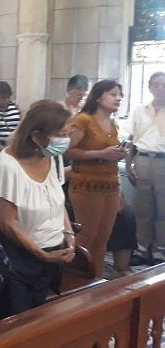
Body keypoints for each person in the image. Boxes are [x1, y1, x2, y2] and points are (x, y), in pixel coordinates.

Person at [0, 100, 76, 320]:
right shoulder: (8, 164)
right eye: (60, 135)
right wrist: (40, 254)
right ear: (37, 136)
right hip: (19, 259)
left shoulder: (53, 156)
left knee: (39, 319)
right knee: (15, 322)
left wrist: (68, 235)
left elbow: (57, 202)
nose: (65, 140)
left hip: (52, 255)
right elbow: (6, 222)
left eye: (68, 134)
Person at [64, 79, 127, 278]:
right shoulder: (84, 120)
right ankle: (74, 281)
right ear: (98, 97)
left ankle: (95, 280)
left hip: (110, 185)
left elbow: (109, 154)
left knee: (102, 238)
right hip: (86, 185)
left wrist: (118, 154)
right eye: (113, 94)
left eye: (120, 95)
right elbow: (68, 150)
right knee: (86, 237)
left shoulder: (113, 124)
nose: (118, 98)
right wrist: (100, 154)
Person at [126, 71, 165, 264]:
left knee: (162, 210)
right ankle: (142, 250)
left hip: (163, 162)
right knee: (143, 209)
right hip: (142, 160)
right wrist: (128, 165)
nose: (161, 88)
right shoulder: (140, 110)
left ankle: (159, 252)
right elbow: (132, 140)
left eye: (164, 85)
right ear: (150, 87)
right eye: (157, 84)